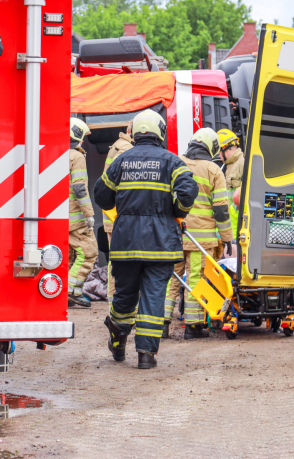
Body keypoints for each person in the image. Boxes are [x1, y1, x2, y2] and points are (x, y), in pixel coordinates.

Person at [94, 109, 197, 369]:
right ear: (160, 133)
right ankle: (146, 355)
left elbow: (102, 196)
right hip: (161, 245)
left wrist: (122, 206)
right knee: (154, 297)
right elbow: (187, 190)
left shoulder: (121, 160)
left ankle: (118, 342)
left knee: (124, 296)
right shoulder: (172, 161)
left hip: (126, 244)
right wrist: (178, 211)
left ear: (136, 133)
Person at [163, 128, 233, 339]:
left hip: (174, 236)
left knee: (171, 278)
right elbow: (221, 210)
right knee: (195, 278)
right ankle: (193, 326)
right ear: (212, 148)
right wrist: (227, 238)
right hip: (199, 240)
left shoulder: (175, 163)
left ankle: (161, 323)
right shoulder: (213, 170)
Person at [102, 121, 133, 302]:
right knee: (121, 260)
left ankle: (114, 300)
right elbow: (123, 182)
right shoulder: (126, 148)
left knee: (115, 259)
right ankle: (117, 301)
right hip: (118, 215)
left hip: (113, 214)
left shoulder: (118, 145)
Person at [68, 117, 97, 308]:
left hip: (63, 218)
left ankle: (72, 293)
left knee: (69, 257)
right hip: (76, 219)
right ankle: (70, 291)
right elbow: (79, 189)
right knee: (88, 254)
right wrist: (89, 214)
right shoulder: (76, 157)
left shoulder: (58, 154)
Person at [217, 129, 244, 238]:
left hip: (238, 221)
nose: (218, 155)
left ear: (226, 148)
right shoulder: (227, 166)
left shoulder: (243, 162)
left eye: (219, 151)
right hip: (230, 221)